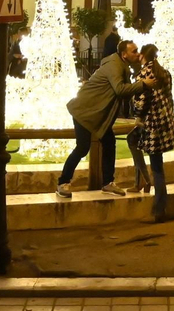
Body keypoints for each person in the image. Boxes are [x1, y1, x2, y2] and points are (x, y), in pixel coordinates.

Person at [58, 40, 152, 197]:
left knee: (109, 143)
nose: (138, 54)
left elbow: (127, 91)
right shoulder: (114, 66)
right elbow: (120, 89)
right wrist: (143, 84)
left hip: (97, 115)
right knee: (82, 147)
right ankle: (63, 183)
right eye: (134, 51)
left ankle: (108, 183)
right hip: (85, 111)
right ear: (124, 54)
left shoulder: (121, 66)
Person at [130, 43, 174, 222]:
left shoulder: (144, 74)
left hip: (150, 124)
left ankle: (159, 207)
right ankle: (144, 182)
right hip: (164, 122)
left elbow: (141, 101)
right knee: (156, 162)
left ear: (142, 55)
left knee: (157, 166)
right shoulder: (164, 72)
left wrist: (137, 116)